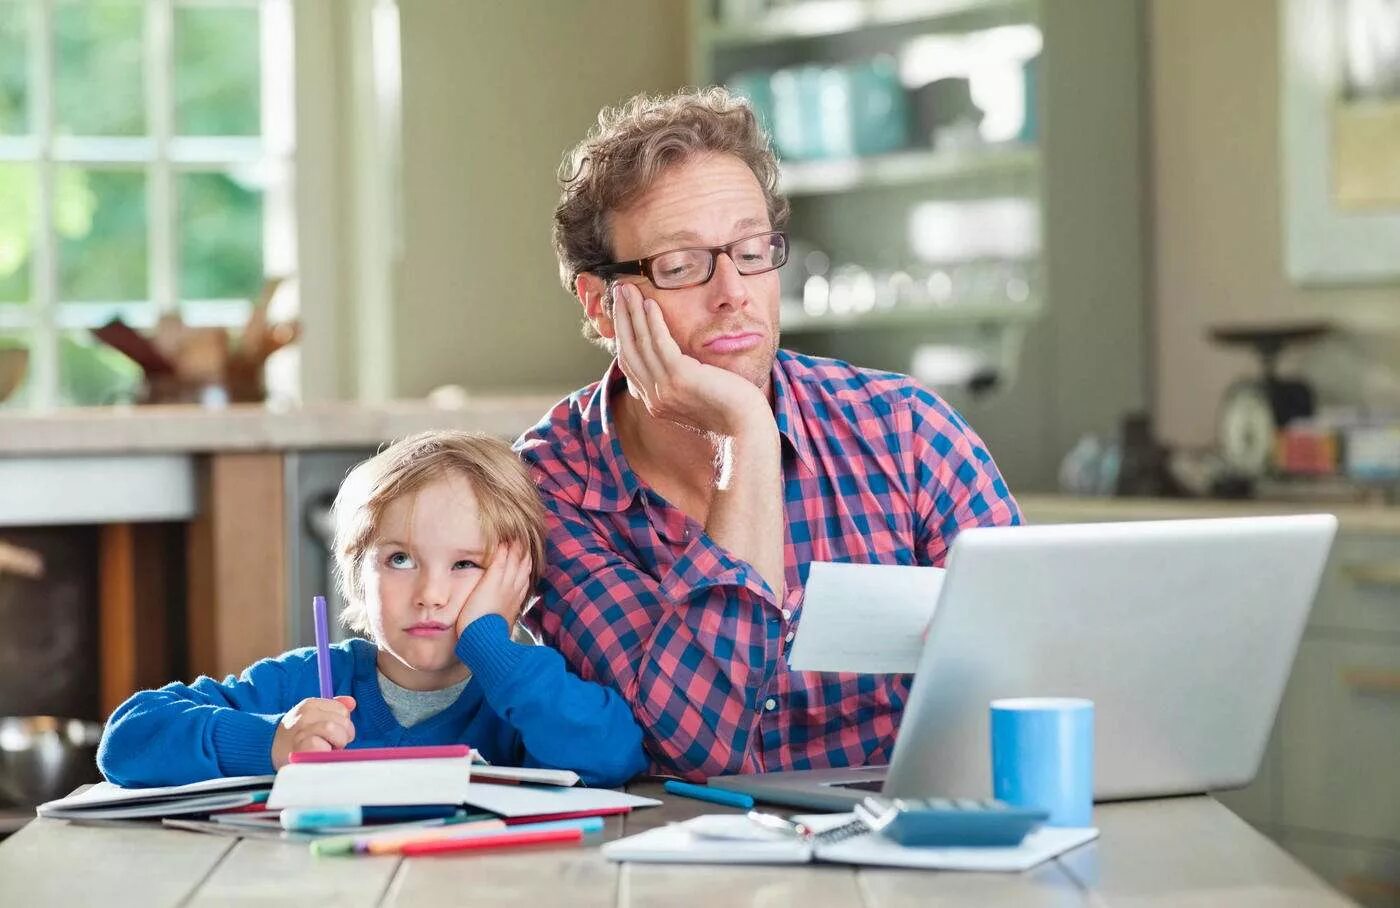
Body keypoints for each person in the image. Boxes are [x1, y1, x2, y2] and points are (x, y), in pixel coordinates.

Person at [515, 87, 1022, 781]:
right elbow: (701, 745)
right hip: (673, 866)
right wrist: (748, 434)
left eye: (753, 251)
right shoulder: (549, 489)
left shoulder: (908, 432)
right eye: (682, 265)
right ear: (603, 307)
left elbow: (1033, 680)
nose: (735, 292)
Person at [98, 431, 647, 788]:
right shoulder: (308, 682)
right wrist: (271, 741)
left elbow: (612, 755)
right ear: (355, 575)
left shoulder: (522, 694)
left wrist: (492, 646)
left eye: (465, 566)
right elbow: (128, 738)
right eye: (401, 559)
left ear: (518, 583)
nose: (430, 594)